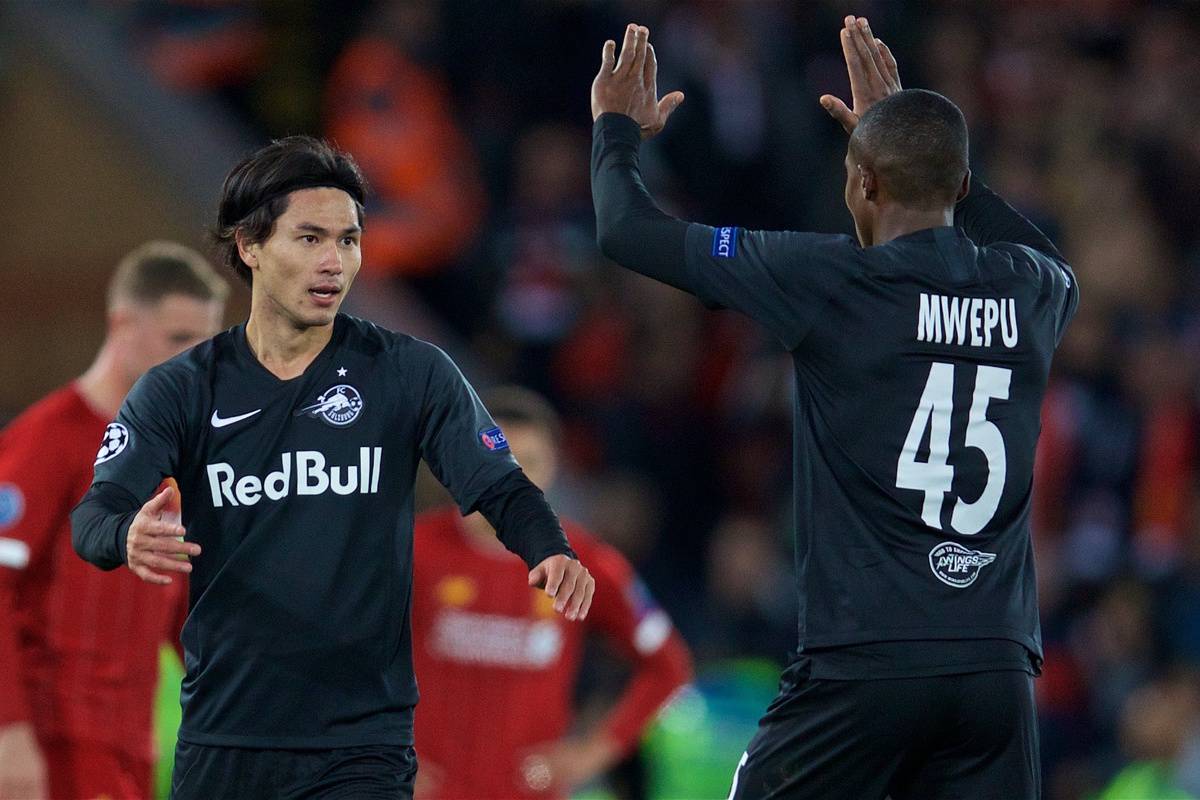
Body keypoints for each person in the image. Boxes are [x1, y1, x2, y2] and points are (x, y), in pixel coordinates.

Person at [590, 17, 1078, 800]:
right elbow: (1052, 261)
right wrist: (926, 153)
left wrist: (615, 129)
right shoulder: (1031, 288)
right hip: (995, 669)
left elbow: (626, 229)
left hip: (865, 667)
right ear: (959, 184)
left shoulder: (829, 280)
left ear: (861, 183)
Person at [71, 136, 596, 799]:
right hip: (226, 740)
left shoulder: (409, 372)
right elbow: (94, 515)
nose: (334, 261)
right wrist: (125, 537)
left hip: (361, 746)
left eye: (348, 241)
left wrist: (547, 547)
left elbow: (499, 484)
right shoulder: (182, 389)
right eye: (310, 238)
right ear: (250, 246)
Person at [0, 241, 228, 800]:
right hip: (52, 739)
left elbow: (186, 610)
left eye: (206, 344)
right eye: (178, 339)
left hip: (126, 744)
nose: (194, 361)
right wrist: (8, 731)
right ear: (122, 325)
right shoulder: (50, 440)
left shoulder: (177, 461)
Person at [411, 386, 692, 799]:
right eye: (493, 459)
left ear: (553, 469)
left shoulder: (589, 564)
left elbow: (668, 666)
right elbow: (333, 653)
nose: (509, 478)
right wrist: (374, 754)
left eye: (529, 462)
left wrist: (591, 754)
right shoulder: (409, 550)